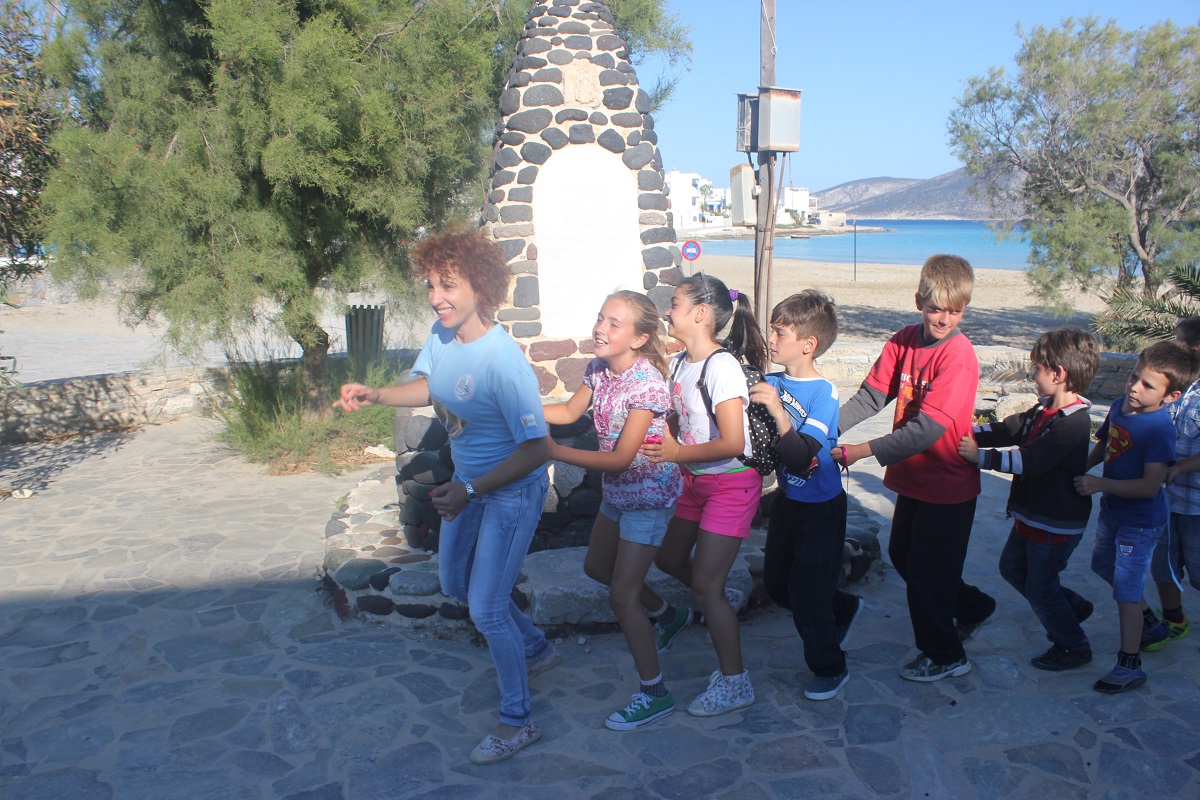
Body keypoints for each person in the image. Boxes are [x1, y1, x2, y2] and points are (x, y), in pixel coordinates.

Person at [333, 228, 557, 764]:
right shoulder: (442, 334)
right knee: (456, 583)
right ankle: (535, 647)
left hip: (509, 493)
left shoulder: (503, 361)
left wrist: (471, 489)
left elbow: (538, 449)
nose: (436, 297)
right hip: (468, 489)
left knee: (487, 608)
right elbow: (428, 386)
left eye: (448, 285)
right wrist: (377, 394)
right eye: (431, 285)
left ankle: (517, 720)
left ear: (481, 286)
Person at [834, 254, 996, 682]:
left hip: (949, 483)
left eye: (955, 311)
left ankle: (946, 654)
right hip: (914, 479)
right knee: (904, 556)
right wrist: (825, 430)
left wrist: (860, 451)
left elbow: (926, 430)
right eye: (936, 308)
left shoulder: (958, 356)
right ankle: (974, 606)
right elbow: (870, 397)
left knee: (928, 573)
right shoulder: (904, 340)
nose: (944, 319)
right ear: (919, 301)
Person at [542, 290, 683, 731]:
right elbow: (569, 411)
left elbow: (622, 458)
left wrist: (553, 452)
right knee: (596, 568)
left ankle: (655, 694)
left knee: (622, 595)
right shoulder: (599, 369)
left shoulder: (646, 385)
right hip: (619, 494)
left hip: (649, 498)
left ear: (639, 339)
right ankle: (669, 615)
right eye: (601, 318)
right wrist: (521, 411)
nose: (601, 328)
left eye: (613, 323)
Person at [642, 272, 768, 716]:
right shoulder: (681, 363)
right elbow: (678, 420)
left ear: (700, 314)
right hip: (694, 481)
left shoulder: (722, 367)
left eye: (675, 303)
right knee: (668, 558)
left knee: (705, 587)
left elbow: (732, 441)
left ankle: (736, 683)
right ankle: (717, 596)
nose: (667, 311)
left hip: (730, 484)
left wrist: (677, 451)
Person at [958, 328, 1100, 671]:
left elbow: (1030, 460)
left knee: (1041, 588)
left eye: (1036, 368)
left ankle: (1073, 645)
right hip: (1033, 515)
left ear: (1058, 374)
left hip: (1055, 522)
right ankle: (1071, 607)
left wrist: (979, 457)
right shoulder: (1043, 410)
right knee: (1012, 568)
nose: (1032, 375)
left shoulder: (1073, 424)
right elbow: (1008, 429)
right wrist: (963, 430)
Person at [750, 290, 862, 701]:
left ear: (808, 344)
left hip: (821, 509)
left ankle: (830, 667)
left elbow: (800, 459)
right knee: (779, 586)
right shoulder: (771, 381)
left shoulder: (824, 394)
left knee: (809, 596)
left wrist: (779, 412)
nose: (771, 339)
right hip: (788, 504)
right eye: (772, 330)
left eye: (780, 332)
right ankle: (843, 607)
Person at [1074, 339, 1197, 693]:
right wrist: (1080, 468)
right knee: (1102, 566)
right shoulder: (1118, 407)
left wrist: (1100, 484)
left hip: (1140, 522)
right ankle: (1150, 624)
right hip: (1114, 510)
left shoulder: (1160, 430)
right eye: (1134, 377)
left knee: (1126, 592)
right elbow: (1104, 445)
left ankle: (1129, 664)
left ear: (1170, 397)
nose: (1134, 387)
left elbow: (1148, 487)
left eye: (1147, 385)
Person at [1147, 317, 1200, 650]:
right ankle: (1174, 619)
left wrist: (1179, 467)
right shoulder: (1177, 389)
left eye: (1180, 343)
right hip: (1165, 498)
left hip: (1196, 505)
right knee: (1163, 564)